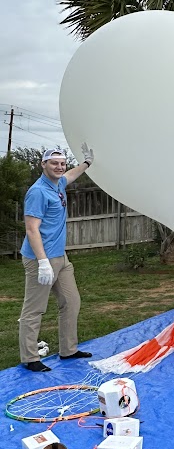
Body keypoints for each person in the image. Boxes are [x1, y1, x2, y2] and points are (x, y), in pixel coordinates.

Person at [19, 146, 95, 372]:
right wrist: (42, 263)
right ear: (43, 165)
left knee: (71, 302)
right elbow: (32, 229)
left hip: (61, 257)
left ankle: (68, 350)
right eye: (54, 163)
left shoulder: (58, 183)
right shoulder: (38, 192)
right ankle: (30, 357)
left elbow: (71, 175)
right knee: (34, 309)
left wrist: (87, 163)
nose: (60, 167)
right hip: (40, 259)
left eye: (62, 163)